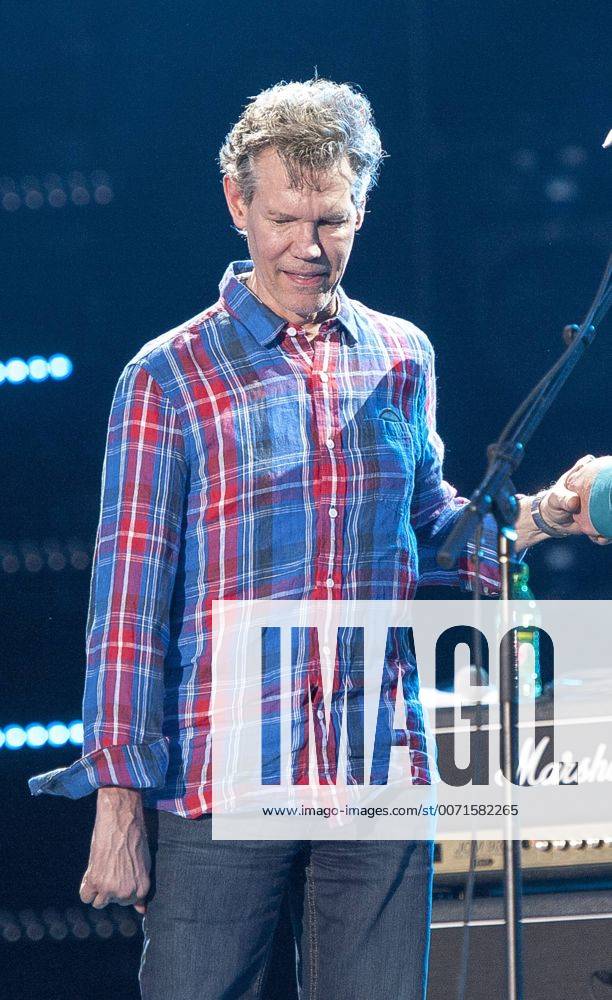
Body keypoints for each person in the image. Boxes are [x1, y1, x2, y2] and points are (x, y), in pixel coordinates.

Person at [28, 78, 608, 1000]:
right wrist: (117, 800)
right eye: (288, 218)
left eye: (333, 220)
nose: (309, 245)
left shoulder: (400, 356)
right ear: (238, 204)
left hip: (375, 770)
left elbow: (431, 534)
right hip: (220, 780)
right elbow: (127, 607)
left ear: (362, 207)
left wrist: (542, 513)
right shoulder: (168, 378)